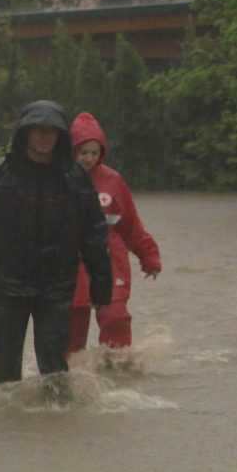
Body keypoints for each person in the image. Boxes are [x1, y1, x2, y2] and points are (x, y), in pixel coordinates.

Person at [0, 100, 112, 389]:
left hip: (56, 285)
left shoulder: (75, 180)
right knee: (4, 367)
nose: (44, 138)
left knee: (55, 369)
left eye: (51, 132)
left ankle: (57, 425)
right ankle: (4, 424)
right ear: (24, 133)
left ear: (61, 136)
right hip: (6, 284)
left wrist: (102, 287)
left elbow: (94, 235)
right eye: (37, 131)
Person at [68, 112, 161, 355]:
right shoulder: (60, 179)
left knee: (115, 317)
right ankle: (67, 375)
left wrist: (148, 256)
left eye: (94, 153)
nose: (88, 158)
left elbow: (130, 225)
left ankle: (117, 368)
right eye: (83, 152)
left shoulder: (113, 181)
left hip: (111, 261)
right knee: (71, 327)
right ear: (72, 150)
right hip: (71, 263)